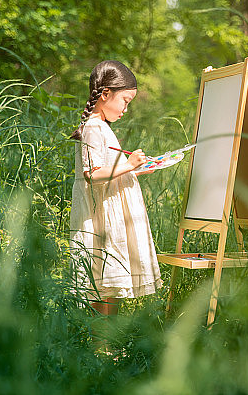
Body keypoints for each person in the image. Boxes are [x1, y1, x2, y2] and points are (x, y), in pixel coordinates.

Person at [69, 60, 162, 317]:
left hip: (111, 215)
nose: (125, 109)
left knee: (110, 281)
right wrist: (129, 164)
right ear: (105, 94)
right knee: (104, 281)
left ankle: (107, 346)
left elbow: (109, 168)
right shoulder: (92, 128)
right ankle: (103, 346)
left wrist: (135, 168)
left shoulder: (101, 127)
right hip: (101, 216)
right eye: (125, 101)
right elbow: (93, 175)